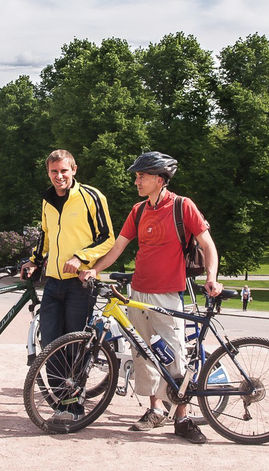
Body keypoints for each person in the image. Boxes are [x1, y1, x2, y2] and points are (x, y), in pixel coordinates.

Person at [79, 151, 223, 444]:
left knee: (175, 354)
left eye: (141, 176)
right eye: (137, 176)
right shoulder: (138, 211)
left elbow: (208, 245)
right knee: (143, 353)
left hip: (169, 293)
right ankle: (155, 410)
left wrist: (212, 277)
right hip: (138, 292)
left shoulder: (183, 207)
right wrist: (94, 269)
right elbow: (118, 248)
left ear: (159, 179)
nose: (136, 181)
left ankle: (181, 417)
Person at [21, 149, 115, 422]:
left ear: (74, 169)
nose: (59, 176)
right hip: (53, 282)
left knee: (76, 345)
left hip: (80, 283)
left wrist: (81, 258)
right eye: (54, 171)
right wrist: (34, 261)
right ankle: (62, 404)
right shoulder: (47, 199)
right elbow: (46, 236)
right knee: (50, 344)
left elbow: (107, 238)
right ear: (48, 172)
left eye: (64, 170)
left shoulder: (91, 197)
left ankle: (74, 407)